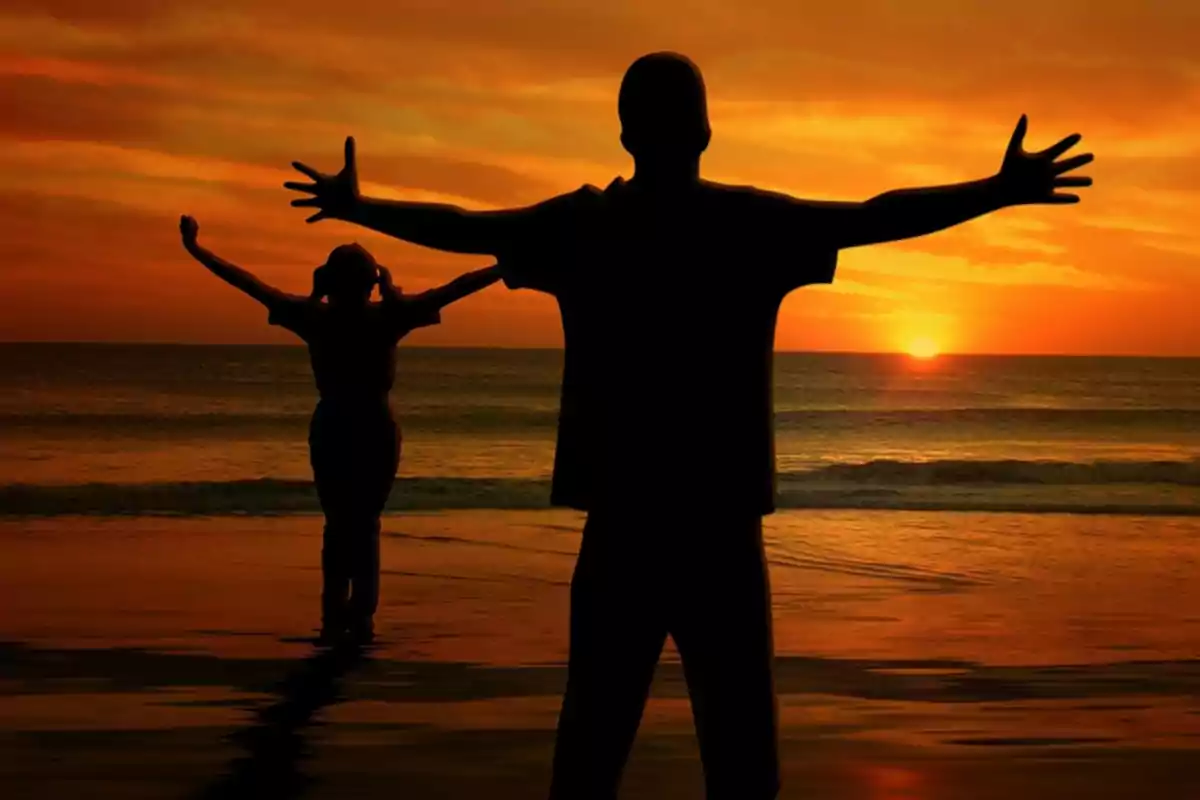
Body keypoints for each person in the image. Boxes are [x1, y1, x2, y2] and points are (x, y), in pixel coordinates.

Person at [283, 52, 1093, 798]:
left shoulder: (584, 225)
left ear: (626, 133)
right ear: (707, 129)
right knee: (740, 766)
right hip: (720, 530)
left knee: (590, 757)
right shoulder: (748, 224)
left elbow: (466, 224)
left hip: (623, 527)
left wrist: (363, 207)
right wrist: (995, 190)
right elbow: (874, 214)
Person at [178, 215, 501, 646]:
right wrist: (507, 264)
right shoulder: (384, 315)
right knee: (364, 523)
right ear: (373, 282)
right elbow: (458, 287)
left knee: (340, 525)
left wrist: (196, 250)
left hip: (339, 425)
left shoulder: (317, 317)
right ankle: (359, 617)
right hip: (370, 427)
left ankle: (338, 614)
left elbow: (248, 283)